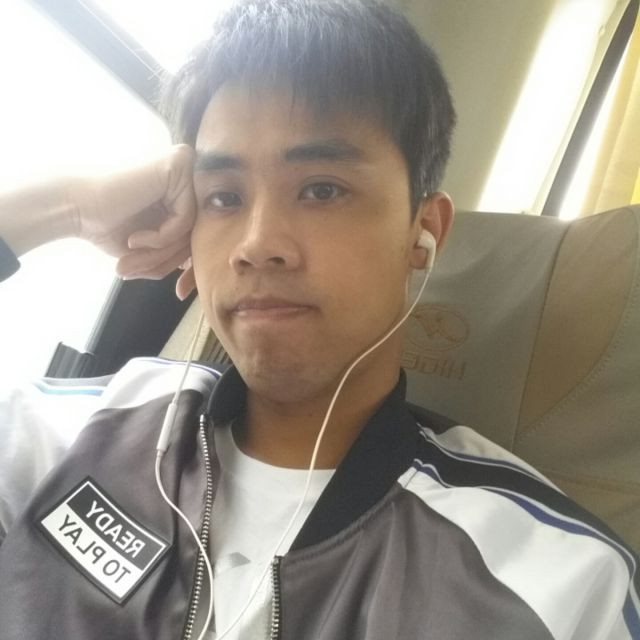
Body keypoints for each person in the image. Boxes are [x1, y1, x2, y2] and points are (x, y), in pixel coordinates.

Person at [0, 0, 637, 638]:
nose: (256, 244)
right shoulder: (74, 434)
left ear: (423, 233)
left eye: (322, 190)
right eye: (223, 197)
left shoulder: (556, 582)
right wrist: (66, 209)